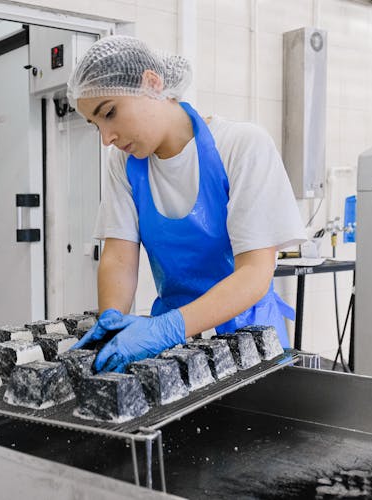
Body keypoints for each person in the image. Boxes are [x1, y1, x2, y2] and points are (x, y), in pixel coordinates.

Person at [68, 35, 306, 373]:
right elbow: (119, 255)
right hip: (175, 350)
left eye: (109, 113)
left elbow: (255, 273)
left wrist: (166, 328)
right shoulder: (124, 164)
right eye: (95, 125)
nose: (107, 138)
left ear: (151, 83)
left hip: (248, 340)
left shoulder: (240, 145)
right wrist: (113, 321)